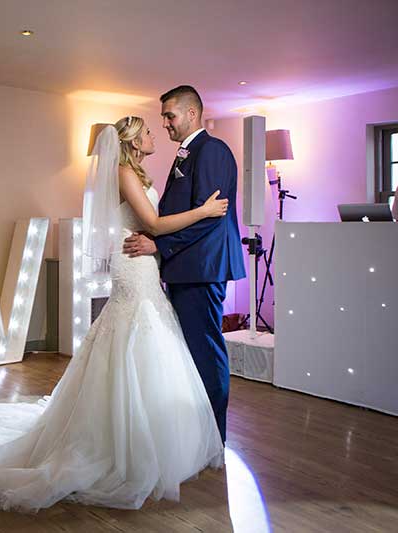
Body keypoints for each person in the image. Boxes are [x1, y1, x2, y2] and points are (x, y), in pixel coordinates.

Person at [0, 114, 227, 512]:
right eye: (148, 132)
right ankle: (126, 441)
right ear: (134, 142)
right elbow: (153, 223)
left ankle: (153, 433)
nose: (155, 134)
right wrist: (204, 212)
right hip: (133, 264)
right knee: (137, 332)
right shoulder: (123, 173)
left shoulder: (136, 173)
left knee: (145, 333)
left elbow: (151, 225)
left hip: (144, 262)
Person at [124, 85, 246, 443]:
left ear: (192, 114)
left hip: (201, 268)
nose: (165, 123)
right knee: (189, 350)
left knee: (205, 350)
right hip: (185, 267)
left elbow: (210, 217)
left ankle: (214, 438)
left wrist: (159, 246)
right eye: (163, 117)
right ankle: (195, 434)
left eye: (170, 115)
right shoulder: (187, 153)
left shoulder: (213, 150)